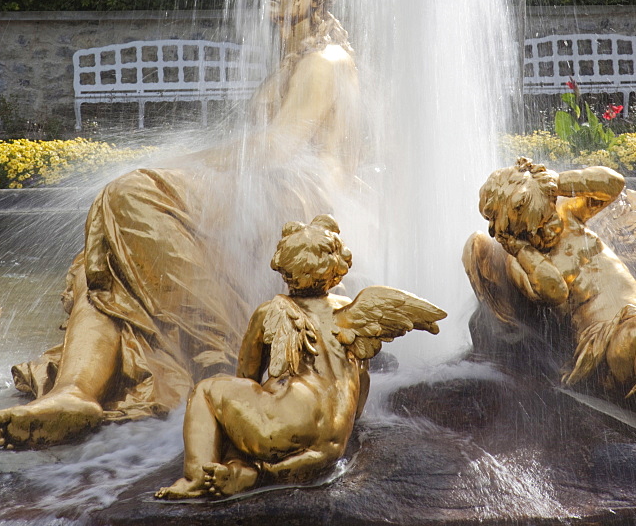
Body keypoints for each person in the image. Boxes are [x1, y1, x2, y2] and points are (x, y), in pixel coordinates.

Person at [0, 0, 361, 449]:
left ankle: (217, 346)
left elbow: (277, 150)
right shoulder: (290, 64)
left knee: (129, 197)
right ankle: (75, 392)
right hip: (265, 193)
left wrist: (180, 164)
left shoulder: (327, 62)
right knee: (111, 249)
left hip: (300, 209)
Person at [155, 214, 446, 500]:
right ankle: (251, 473)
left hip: (284, 431)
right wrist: (350, 422)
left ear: (284, 269)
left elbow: (245, 375)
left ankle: (196, 477)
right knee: (260, 413)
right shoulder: (352, 311)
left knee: (209, 391)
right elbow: (362, 379)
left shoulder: (271, 311)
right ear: (336, 268)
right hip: (330, 446)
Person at [463, 157, 636, 393]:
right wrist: (522, 249)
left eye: (547, 216)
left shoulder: (568, 214)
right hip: (605, 337)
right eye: (534, 230)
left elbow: (614, 183)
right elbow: (555, 291)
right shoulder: (520, 262)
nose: (549, 228)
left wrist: (559, 182)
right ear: (517, 233)